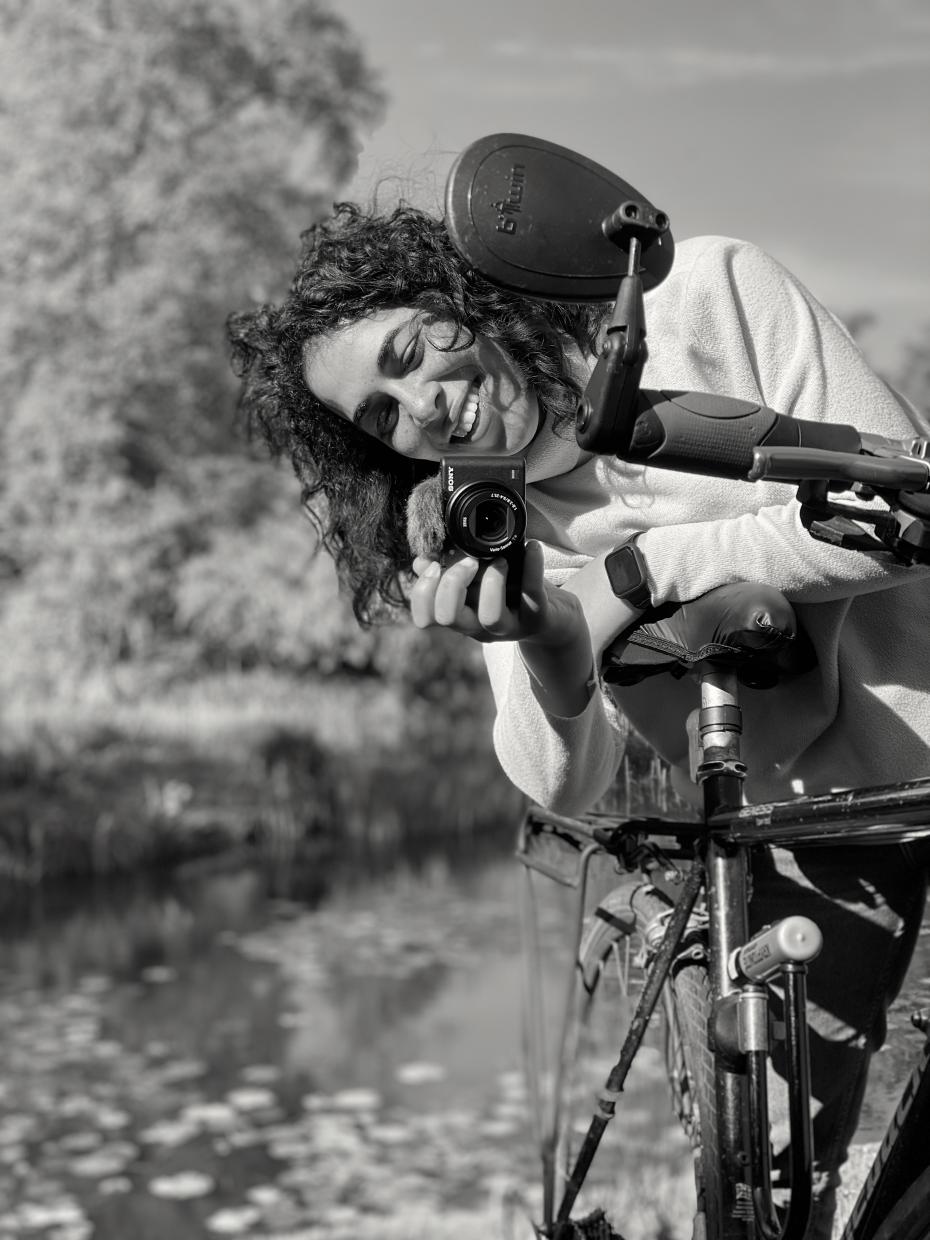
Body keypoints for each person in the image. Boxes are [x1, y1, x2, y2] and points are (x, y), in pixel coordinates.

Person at [228, 197, 929, 1240]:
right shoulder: (492, 517)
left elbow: (904, 512)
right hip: (806, 836)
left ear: (466, 293)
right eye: (381, 417)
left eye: (414, 350)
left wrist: (640, 570)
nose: (420, 406)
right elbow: (563, 782)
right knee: (766, 1194)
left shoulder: (705, 295)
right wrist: (552, 645)